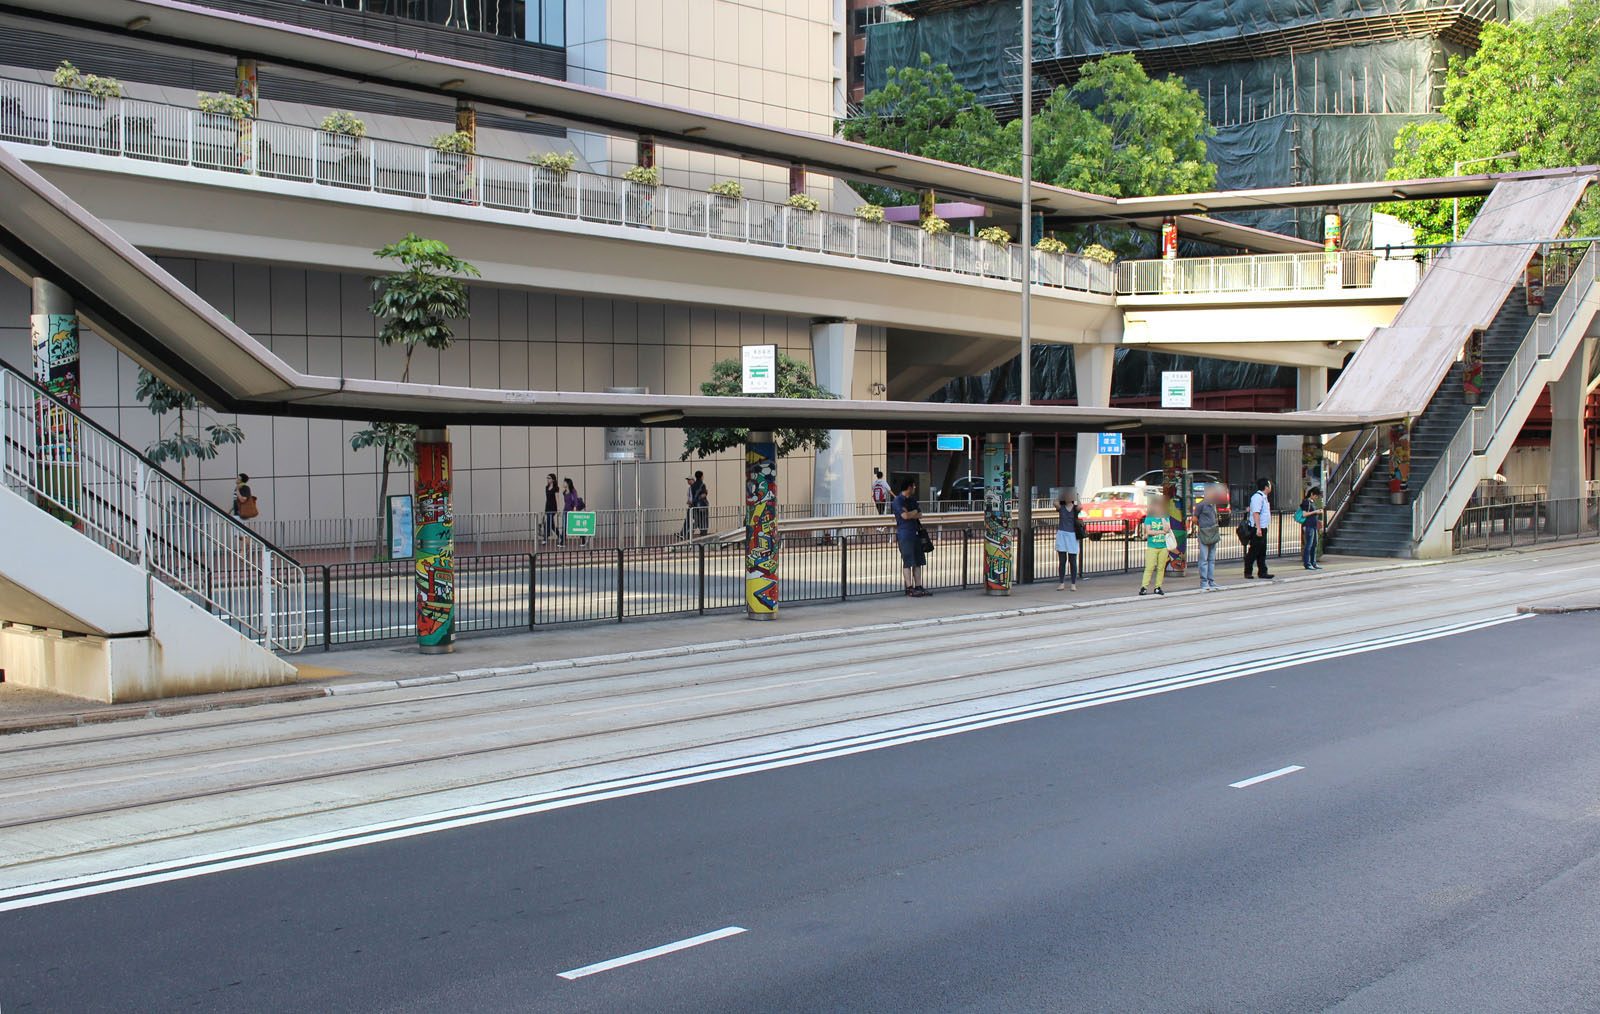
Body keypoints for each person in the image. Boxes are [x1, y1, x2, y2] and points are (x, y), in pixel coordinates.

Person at [891, 477, 929, 597]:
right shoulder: (898, 500)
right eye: (913, 486)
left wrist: (910, 513)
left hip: (915, 533)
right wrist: (912, 513)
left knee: (918, 561)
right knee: (908, 561)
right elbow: (905, 516)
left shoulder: (912, 500)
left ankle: (918, 585)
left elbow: (920, 514)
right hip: (905, 534)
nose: (914, 488)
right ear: (909, 487)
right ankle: (909, 587)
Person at [1139, 493, 1172, 596]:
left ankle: (1158, 587)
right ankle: (1144, 587)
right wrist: (1162, 531)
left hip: (1163, 546)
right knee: (1149, 567)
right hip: (1152, 546)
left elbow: (1168, 528)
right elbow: (1149, 532)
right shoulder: (1149, 518)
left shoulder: (1165, 517)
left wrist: (1162, 518)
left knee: (1161, 568)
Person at [1193, 485, 1223, 591]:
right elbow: (1195, 518)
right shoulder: (1201, 505)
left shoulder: (1213, 504)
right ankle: (1204, 581)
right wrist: (1202, 526)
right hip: (1205, 533)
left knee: (1211, 558)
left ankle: (1211, 580)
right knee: (1204, 558)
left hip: (1212, 532)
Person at [1055, 490, 1084, 591]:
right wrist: (1061, 495)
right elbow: (1055, 503)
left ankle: (1073, 584)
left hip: (1072, 535)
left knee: (1073, 560)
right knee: (1062, 561)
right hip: (1062, 534)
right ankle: (1061, 583)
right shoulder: (1061, 508)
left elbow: (1080, 506)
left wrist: (1077, 497)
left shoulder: (1075, 509)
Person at [1245, 478, 1274, 579]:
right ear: (1266, 487)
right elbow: (1256, 513)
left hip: (1263, 527)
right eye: (1269, 485)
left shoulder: (1264, 497)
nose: (1271, 487)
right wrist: (1258, 528)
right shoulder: (1257, 497)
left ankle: (1262, 571)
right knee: (1254, 551)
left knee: (1262, 551)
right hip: (1257, 528)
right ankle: (1248, 571)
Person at [1300, 485, 1324, 570]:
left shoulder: (1312, 502)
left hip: (1313, 525)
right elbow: (1304, 514)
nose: (1316, 498)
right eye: (1316, 496)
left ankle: (1313, 562)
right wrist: (1315, 512)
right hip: (1309, 525)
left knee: (1314, 544)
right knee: (1309, 545)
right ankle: (1307, 563)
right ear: (1312, 494)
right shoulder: (1306, 502)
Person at [562, 477, 587, 547]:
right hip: (565, 511)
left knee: (577, 526)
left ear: (567, 483)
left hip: (572, 511)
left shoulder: (573, 491)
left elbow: (575, 500)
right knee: (564, 526)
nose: (563, 484)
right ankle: (562, 542)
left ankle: (583, 540)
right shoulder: (564, 492)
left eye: (564, 482)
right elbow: (566, 502)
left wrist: (575, 508)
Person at [690, 470, 709, 537]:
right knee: (704, 520)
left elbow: (692, 495)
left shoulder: (693, 485)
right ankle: (704, 533)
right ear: (701, 477)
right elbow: (703, 495)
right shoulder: (702, 484)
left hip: (695, 505)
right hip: (702, 505)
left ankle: (690, 532)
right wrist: (706, 492)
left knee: (697, 520)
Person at [543, 473, 560, 546]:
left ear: (553, 479)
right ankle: (561, 536)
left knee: (548, 523)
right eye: (547, 478)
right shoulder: (546, 487)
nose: (547, 479)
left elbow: (557, 498)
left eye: (549, 478)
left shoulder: (556, 488)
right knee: (552, 525)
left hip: (553, 508)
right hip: (547, 507)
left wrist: (558, 508)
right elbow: (547, 499)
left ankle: (545, 538)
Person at [678, 475, 696, 541]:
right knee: (687, 521)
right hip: (691, 507)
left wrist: (692, 501)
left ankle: (688, 533)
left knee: (698, 522)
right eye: (687, 480)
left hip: (696, 507)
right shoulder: (689, 489)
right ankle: (682, 534)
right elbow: (689, 497)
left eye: (689, 480)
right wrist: (688, 501)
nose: (688, 481)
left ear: (693, 480)